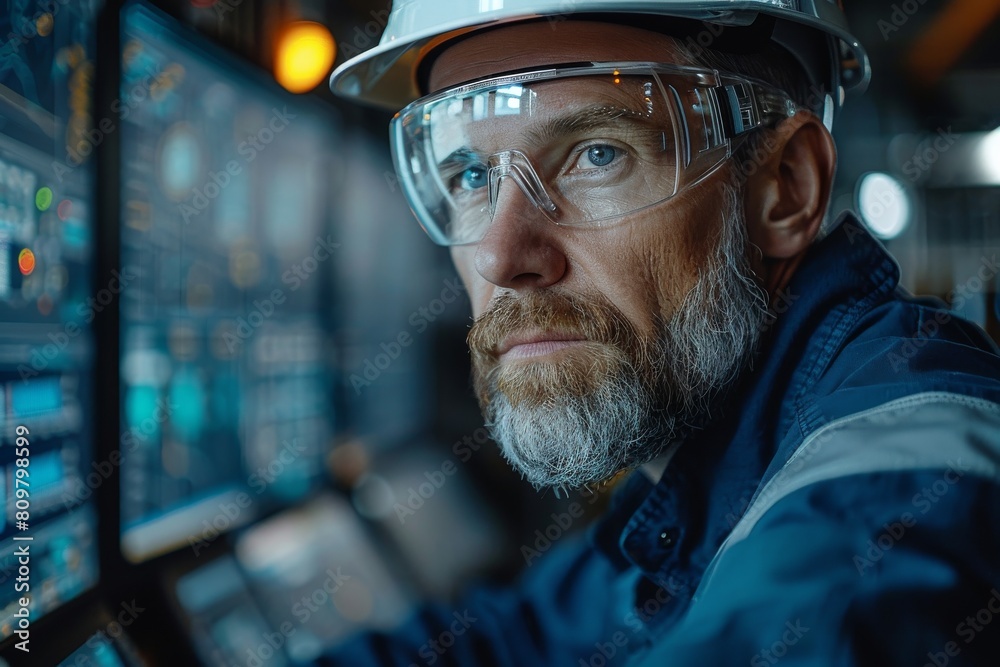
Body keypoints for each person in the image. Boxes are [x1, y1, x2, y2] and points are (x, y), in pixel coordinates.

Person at [322, 1, 1000, 664]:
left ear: (785, 187)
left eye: (596, 154)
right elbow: (513, 637)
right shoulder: (701, 471)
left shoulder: (895, 486)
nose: (501, 255)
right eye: (471, 175)